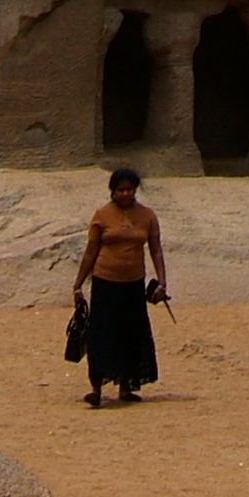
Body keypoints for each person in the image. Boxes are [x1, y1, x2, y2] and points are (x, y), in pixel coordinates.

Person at [72, 168, 167, 407]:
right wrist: (78, 284)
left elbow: (156, 249)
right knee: (101, 335)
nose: (125, 194)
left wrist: (162, 282)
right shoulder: (102, 215)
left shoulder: (147, 216)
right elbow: (91, 251)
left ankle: (126, 386)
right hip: (105, 283)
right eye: (120, 190)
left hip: (133, 284)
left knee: (131, 334)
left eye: (129, 189)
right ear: (112, 191)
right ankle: (96, 388)